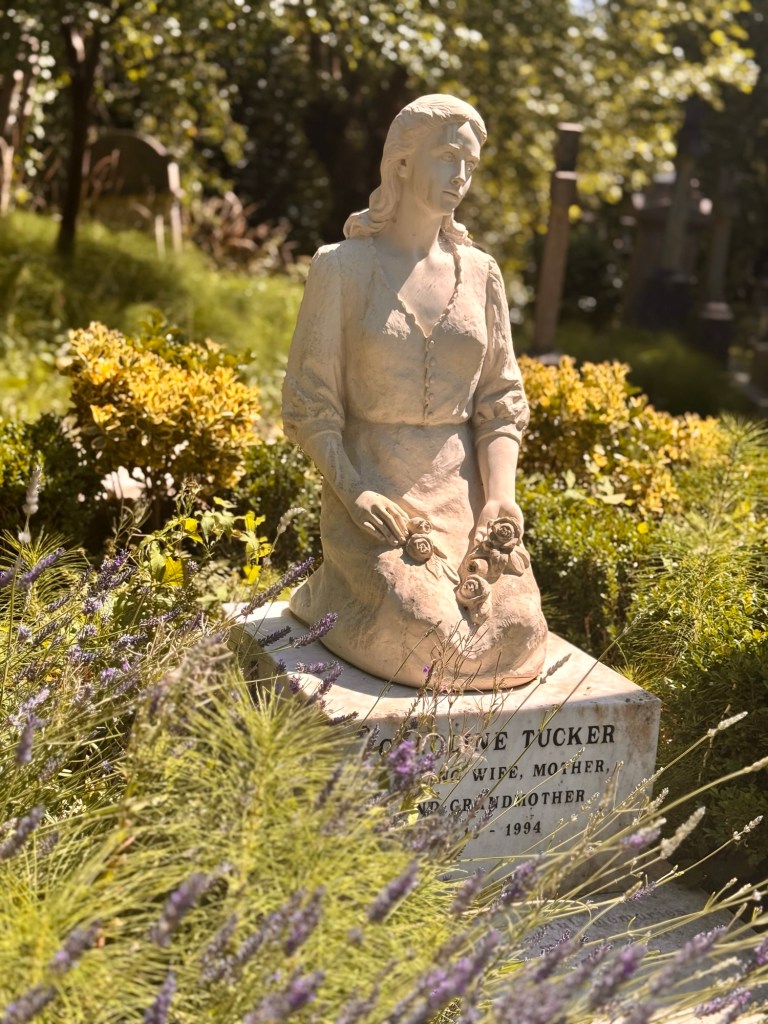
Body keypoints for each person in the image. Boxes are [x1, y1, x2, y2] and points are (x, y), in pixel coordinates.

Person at [282, 94, 547, 689]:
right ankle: (332, 590)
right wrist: (354, 493)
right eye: (447, 156)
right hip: (376, 488)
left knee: (518, 631)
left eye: (470, 165)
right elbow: (309, 406)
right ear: (401, 162)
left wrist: (499, 498)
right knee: (425, 633)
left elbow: (500, 400)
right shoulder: (341, 268)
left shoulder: (482, 272)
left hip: (465, 494)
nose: (460, 176)